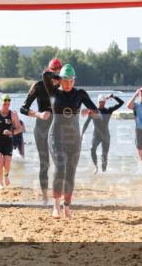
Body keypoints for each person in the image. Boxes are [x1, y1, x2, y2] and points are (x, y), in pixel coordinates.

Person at [36, 64, 98, 219]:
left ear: (74, 81)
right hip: (56, 136)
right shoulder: (53, 92)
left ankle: (67, 206)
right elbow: (45, 75)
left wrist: (89, 111)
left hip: (74, 138)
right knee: (60, 167)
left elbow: (96, 111)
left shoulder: (80, 94)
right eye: (65, 81)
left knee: (71, 172)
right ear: (60, 80)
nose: (68, 84)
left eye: (71, 81)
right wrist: (57, 77)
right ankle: (56, 206)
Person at [21, 58, 62, 202]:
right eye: (53, 70)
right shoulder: (38, 86)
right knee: (45, 163)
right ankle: (45, 197)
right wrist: (39, 114)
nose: (56, 73)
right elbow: (23, 108)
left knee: (60, 162)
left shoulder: (62, 85)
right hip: (41, 129)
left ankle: (58, 195)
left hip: (57, 128)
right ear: (49, 70)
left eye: (58, 70)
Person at [81, 93, 123, 173]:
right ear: (98, 102)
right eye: (100, 102)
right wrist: (82, 133)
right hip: (96, 134)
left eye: (103, 102)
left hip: (105, 135)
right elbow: (86, 123)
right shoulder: (93, 111)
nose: (102, 103)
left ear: (105, 102)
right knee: (92, 149)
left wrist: (113, 96)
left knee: (104, 156)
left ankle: (104, 173)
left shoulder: (108, 110)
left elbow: (121, 103)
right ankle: (96, 167)